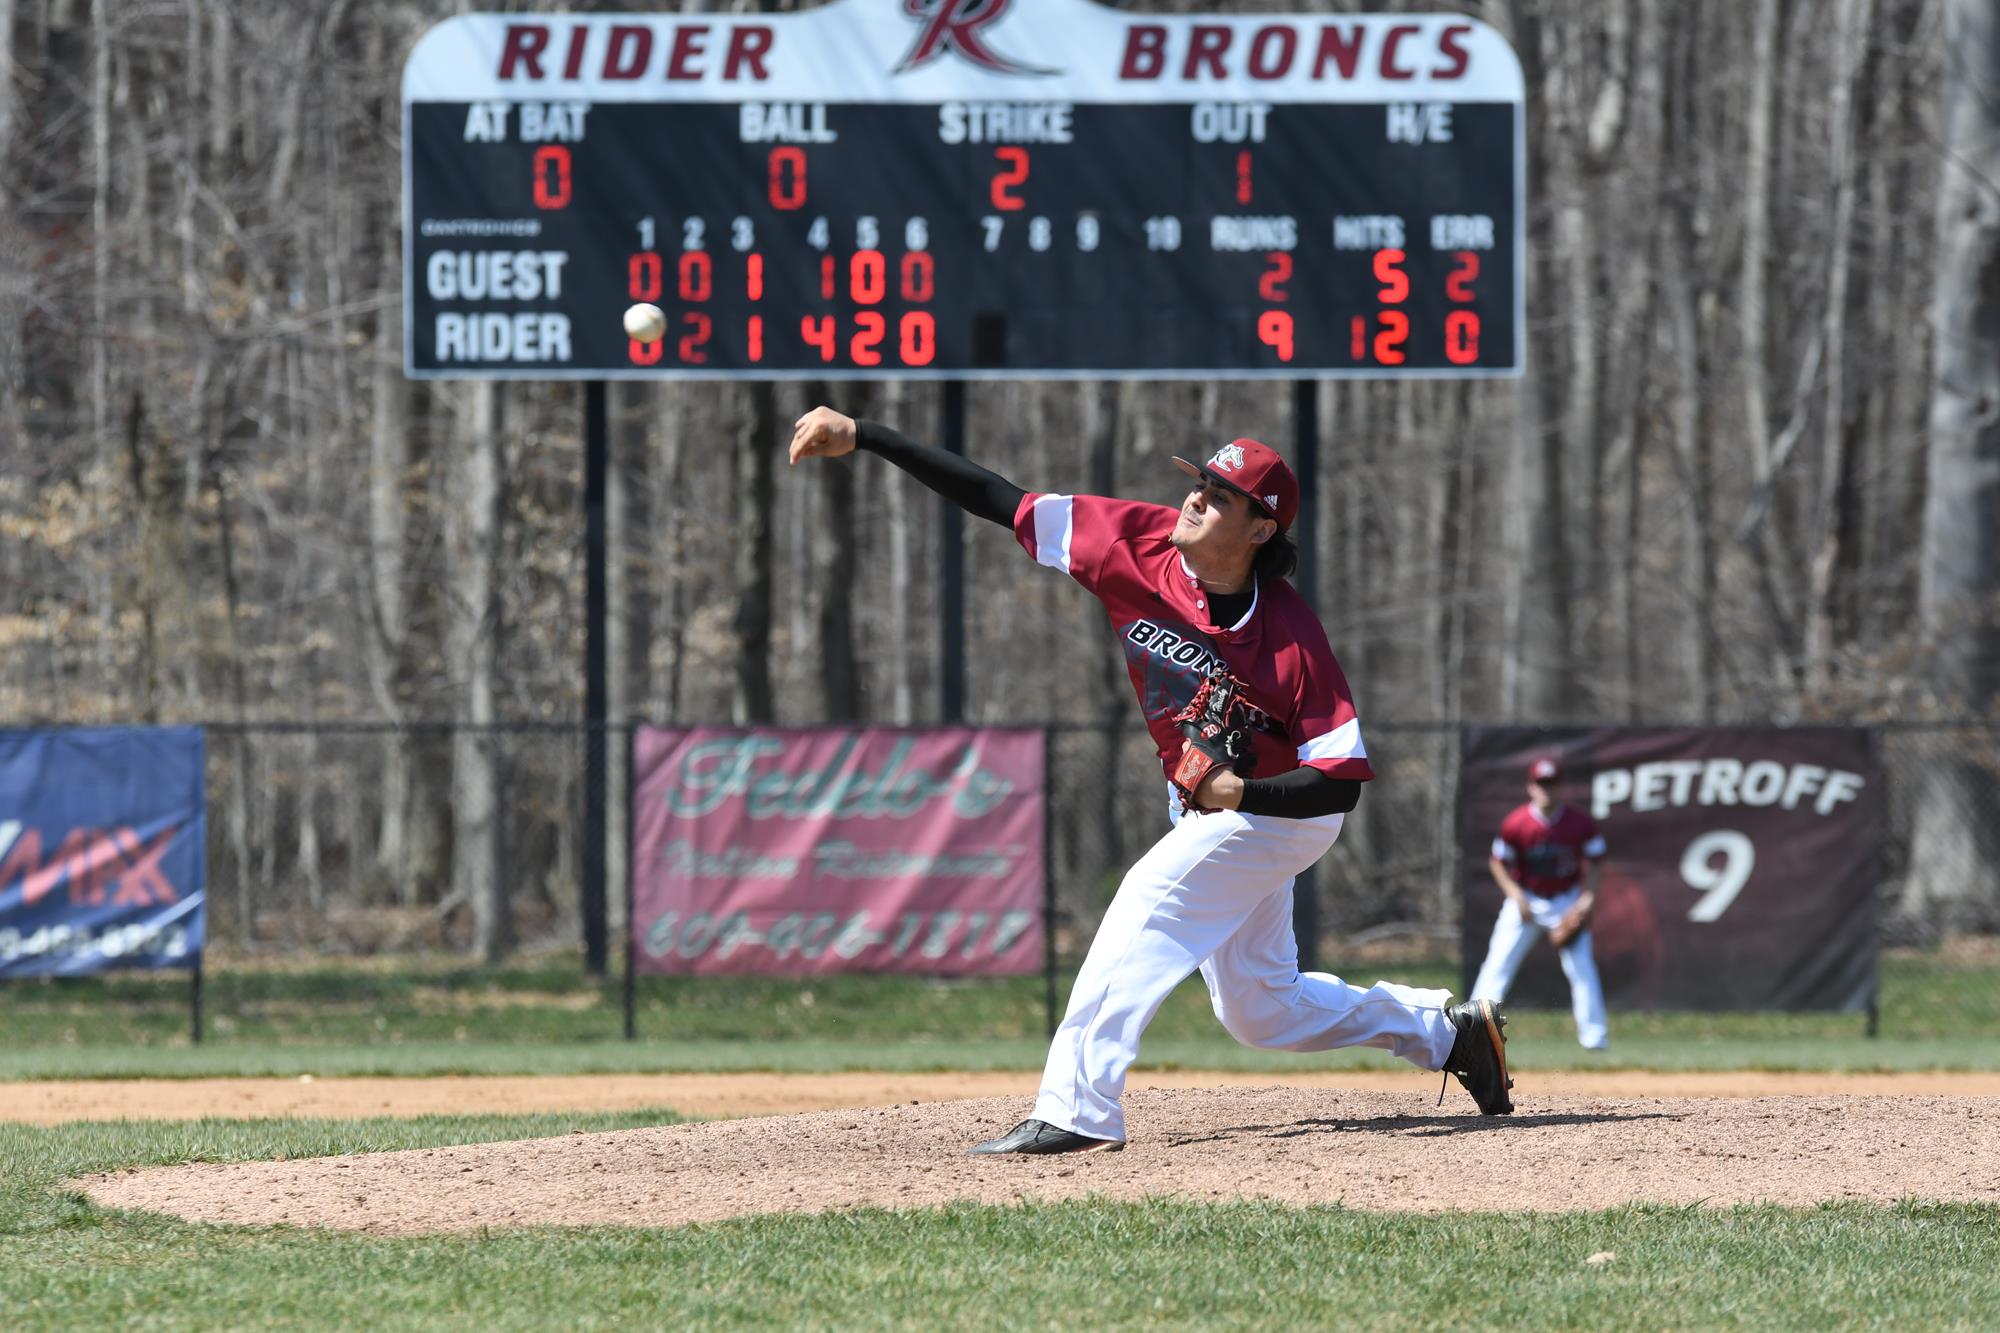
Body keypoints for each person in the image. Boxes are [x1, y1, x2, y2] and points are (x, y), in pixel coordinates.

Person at [787, 405, 1514, 1154]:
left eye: (1221, 496)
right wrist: (868, 435)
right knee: (1259, 1009)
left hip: (1282, 810)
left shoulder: (1291, 640)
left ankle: (1077, 1108)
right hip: (1206, 806)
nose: (1196, 498)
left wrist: (1241, 794)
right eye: (1200, 483)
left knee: (1147, 900)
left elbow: (1340, 782)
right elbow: (999, 498)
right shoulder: (1129, 542)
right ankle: (1446, 1032)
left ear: (1260, 530)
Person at [1472, 755, 1610, 1050]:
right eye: (1541, 783)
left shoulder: (1579, 823)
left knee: (1583, 970)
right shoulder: (1517, 822)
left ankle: (1595, 1039)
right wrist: (1516, 895)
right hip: (1526, 899)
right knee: (1497, 965)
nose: (1546, 789)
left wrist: (1587, 898)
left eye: (1552, 783)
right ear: (1531, 787)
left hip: (1565, 901)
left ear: (1562, 787)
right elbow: (1497, 862)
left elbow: (1597, 860)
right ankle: (1473, 1031)